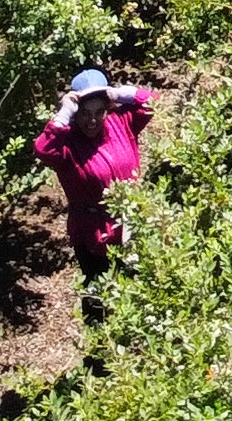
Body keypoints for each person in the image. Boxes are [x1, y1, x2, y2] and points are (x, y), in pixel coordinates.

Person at [28, 69, 154, 279]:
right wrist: (64, 113)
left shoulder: (120, 123)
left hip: (131, 222)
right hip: (93, 231)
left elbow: (150, 103)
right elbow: (43, 149)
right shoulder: (67, 143)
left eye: (98, 112)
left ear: (108, 109)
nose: (92, 121)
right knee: (99, 294)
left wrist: (119, 93)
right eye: (85, 113)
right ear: (76, 113)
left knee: (138, 286)